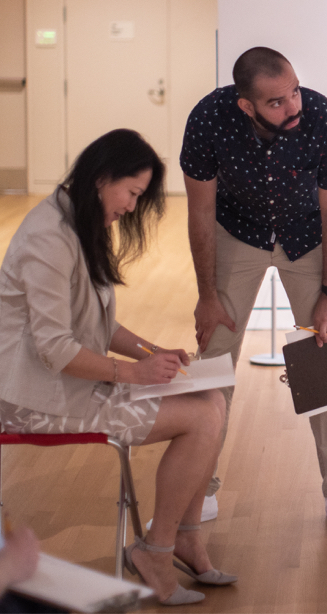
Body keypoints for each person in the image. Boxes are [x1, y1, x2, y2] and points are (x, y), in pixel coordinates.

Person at [0, 130, 235, 606]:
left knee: (211, 398)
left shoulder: (77, 224)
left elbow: (97, 323)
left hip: (68, 382)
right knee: (201, 416)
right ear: (102, 179)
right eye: (131, 193)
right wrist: (133, 374)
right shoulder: (48, 239)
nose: (131, 207)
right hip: (31, 397)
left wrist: (152, 353)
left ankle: (183, 538)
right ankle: (157, 550)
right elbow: (56, 350)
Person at [180, 47, 327, 535]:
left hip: (306, 236)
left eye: (295, 92)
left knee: (326, 357)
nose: (292, 107)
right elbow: (199, 211)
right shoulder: (209, 119)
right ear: (247, 105)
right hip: (236, 233)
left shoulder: (323, 118)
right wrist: (206, 294)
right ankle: (201, 491)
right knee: (214, 356)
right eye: (277, 102)